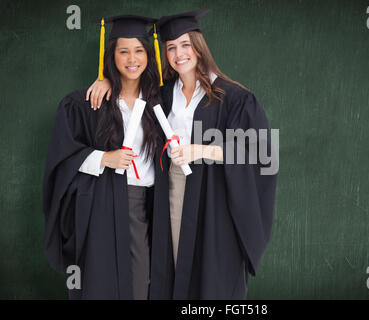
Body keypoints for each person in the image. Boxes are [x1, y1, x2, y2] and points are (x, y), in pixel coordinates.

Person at [86, 9, 277, 299]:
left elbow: (262, 151)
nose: (179, 53)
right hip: (173, 191)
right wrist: (107, 81)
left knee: (213, 271)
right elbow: (130, 91)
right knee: (175, 265)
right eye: (171, 47)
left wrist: (201, 150)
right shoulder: (162, 94)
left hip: (216, 194)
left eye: (185, 45)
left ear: (199, 47)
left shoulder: (232, 97)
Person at [42, 15, 162, 299]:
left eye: (139, 50)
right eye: (123, 51)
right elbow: (61, 157)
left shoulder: (160, 101)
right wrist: (103, 158)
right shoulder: (87, 103)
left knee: (141, 285)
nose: (132, 59)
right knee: (99, 284)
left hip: (146, 206)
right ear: (112, 55)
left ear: (148, 54)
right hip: (101, 204)